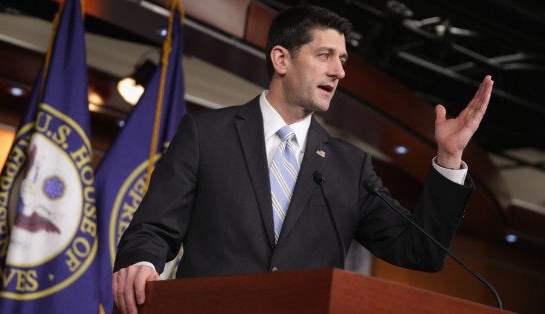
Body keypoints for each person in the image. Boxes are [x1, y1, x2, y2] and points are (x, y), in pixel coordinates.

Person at [112, 4, 493, 314]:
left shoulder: (350, 166)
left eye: (342, 59)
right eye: (325, 55)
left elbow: (420, 250)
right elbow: (152, 228)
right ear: (281, 59)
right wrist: (142, 263)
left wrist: (448, 156)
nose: (339, 71)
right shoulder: (207, 133)